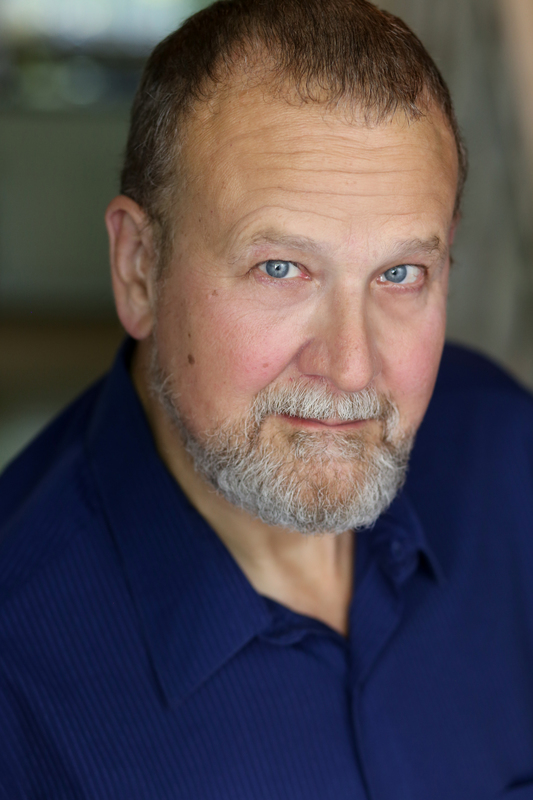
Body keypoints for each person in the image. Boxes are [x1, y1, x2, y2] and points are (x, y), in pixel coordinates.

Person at [1, 0, 532, 797]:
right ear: (139, 267)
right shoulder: (18, 672)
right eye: (280, 269)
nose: (350, 367)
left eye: (400, 274)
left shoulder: (506, 454)